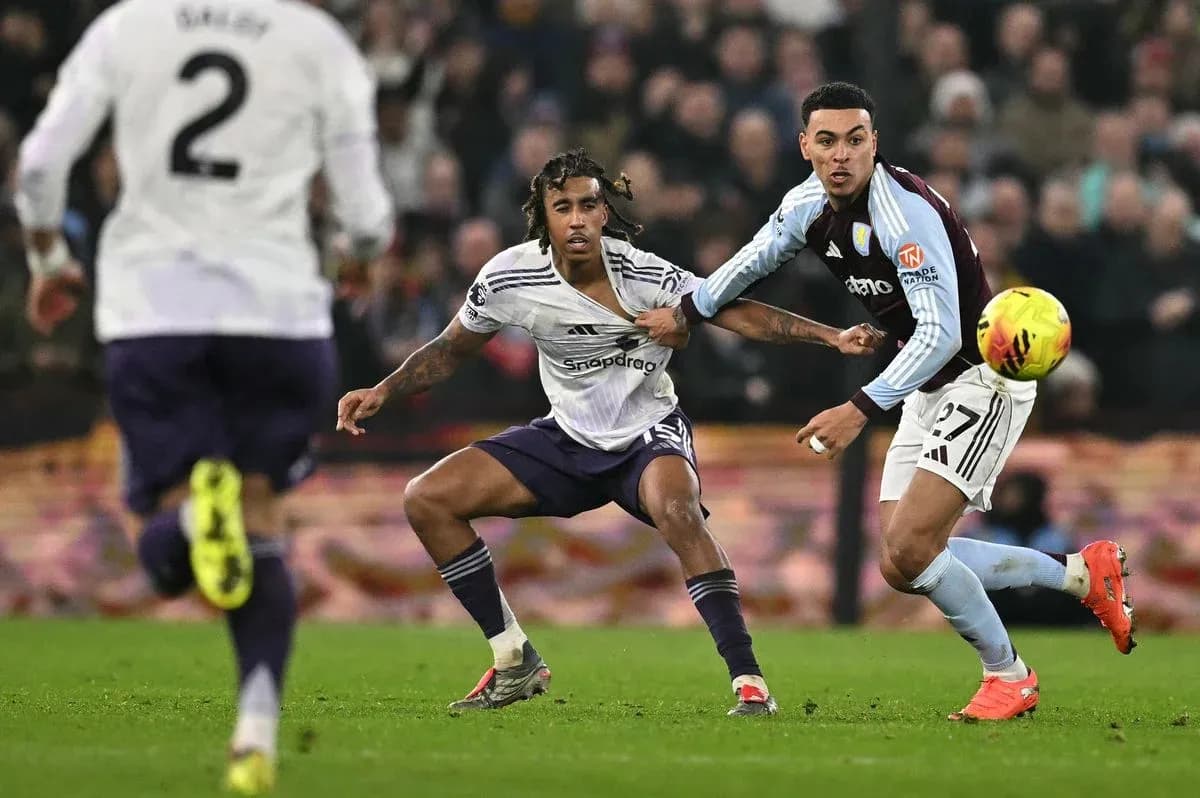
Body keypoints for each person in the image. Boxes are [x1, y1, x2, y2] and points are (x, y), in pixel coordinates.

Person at [636, 82, 1135, 721]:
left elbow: (942, 331)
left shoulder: (903, 214)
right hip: (922, 380)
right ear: (804, 147)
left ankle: (1009, 675)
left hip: (980, 379)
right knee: (904, 562)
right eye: (826, 141)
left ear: (875, 143)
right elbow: (747, 266)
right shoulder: (805, 205)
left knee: (915, 544)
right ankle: (1082, 576)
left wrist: (859, 409)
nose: (841, 154)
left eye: (855, 139)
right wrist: (686, 312)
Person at [336, 147, 884, 717]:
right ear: (542, 215)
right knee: (426, 499)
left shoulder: (644, 274)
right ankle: (513, 657)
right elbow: (452, 349)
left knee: (678, 511)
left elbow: (732, 310)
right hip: (565, 440)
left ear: (605, 213)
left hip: (647, 436)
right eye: (562, 206)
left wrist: (831, 336)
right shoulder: (509, 275)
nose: (576, 218)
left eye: (588, 205)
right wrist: (384, 389)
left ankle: (749, 683)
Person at [15, 1, 393, 792]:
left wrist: (49, 257)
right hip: (279, 313)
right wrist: (357, 255)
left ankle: (191, 517)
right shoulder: (316, 39)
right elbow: (364, 204)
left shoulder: (127, 26)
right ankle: (254, 732)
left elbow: (43, 164)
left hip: (155, 309)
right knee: (262, 521)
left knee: (167, 554)